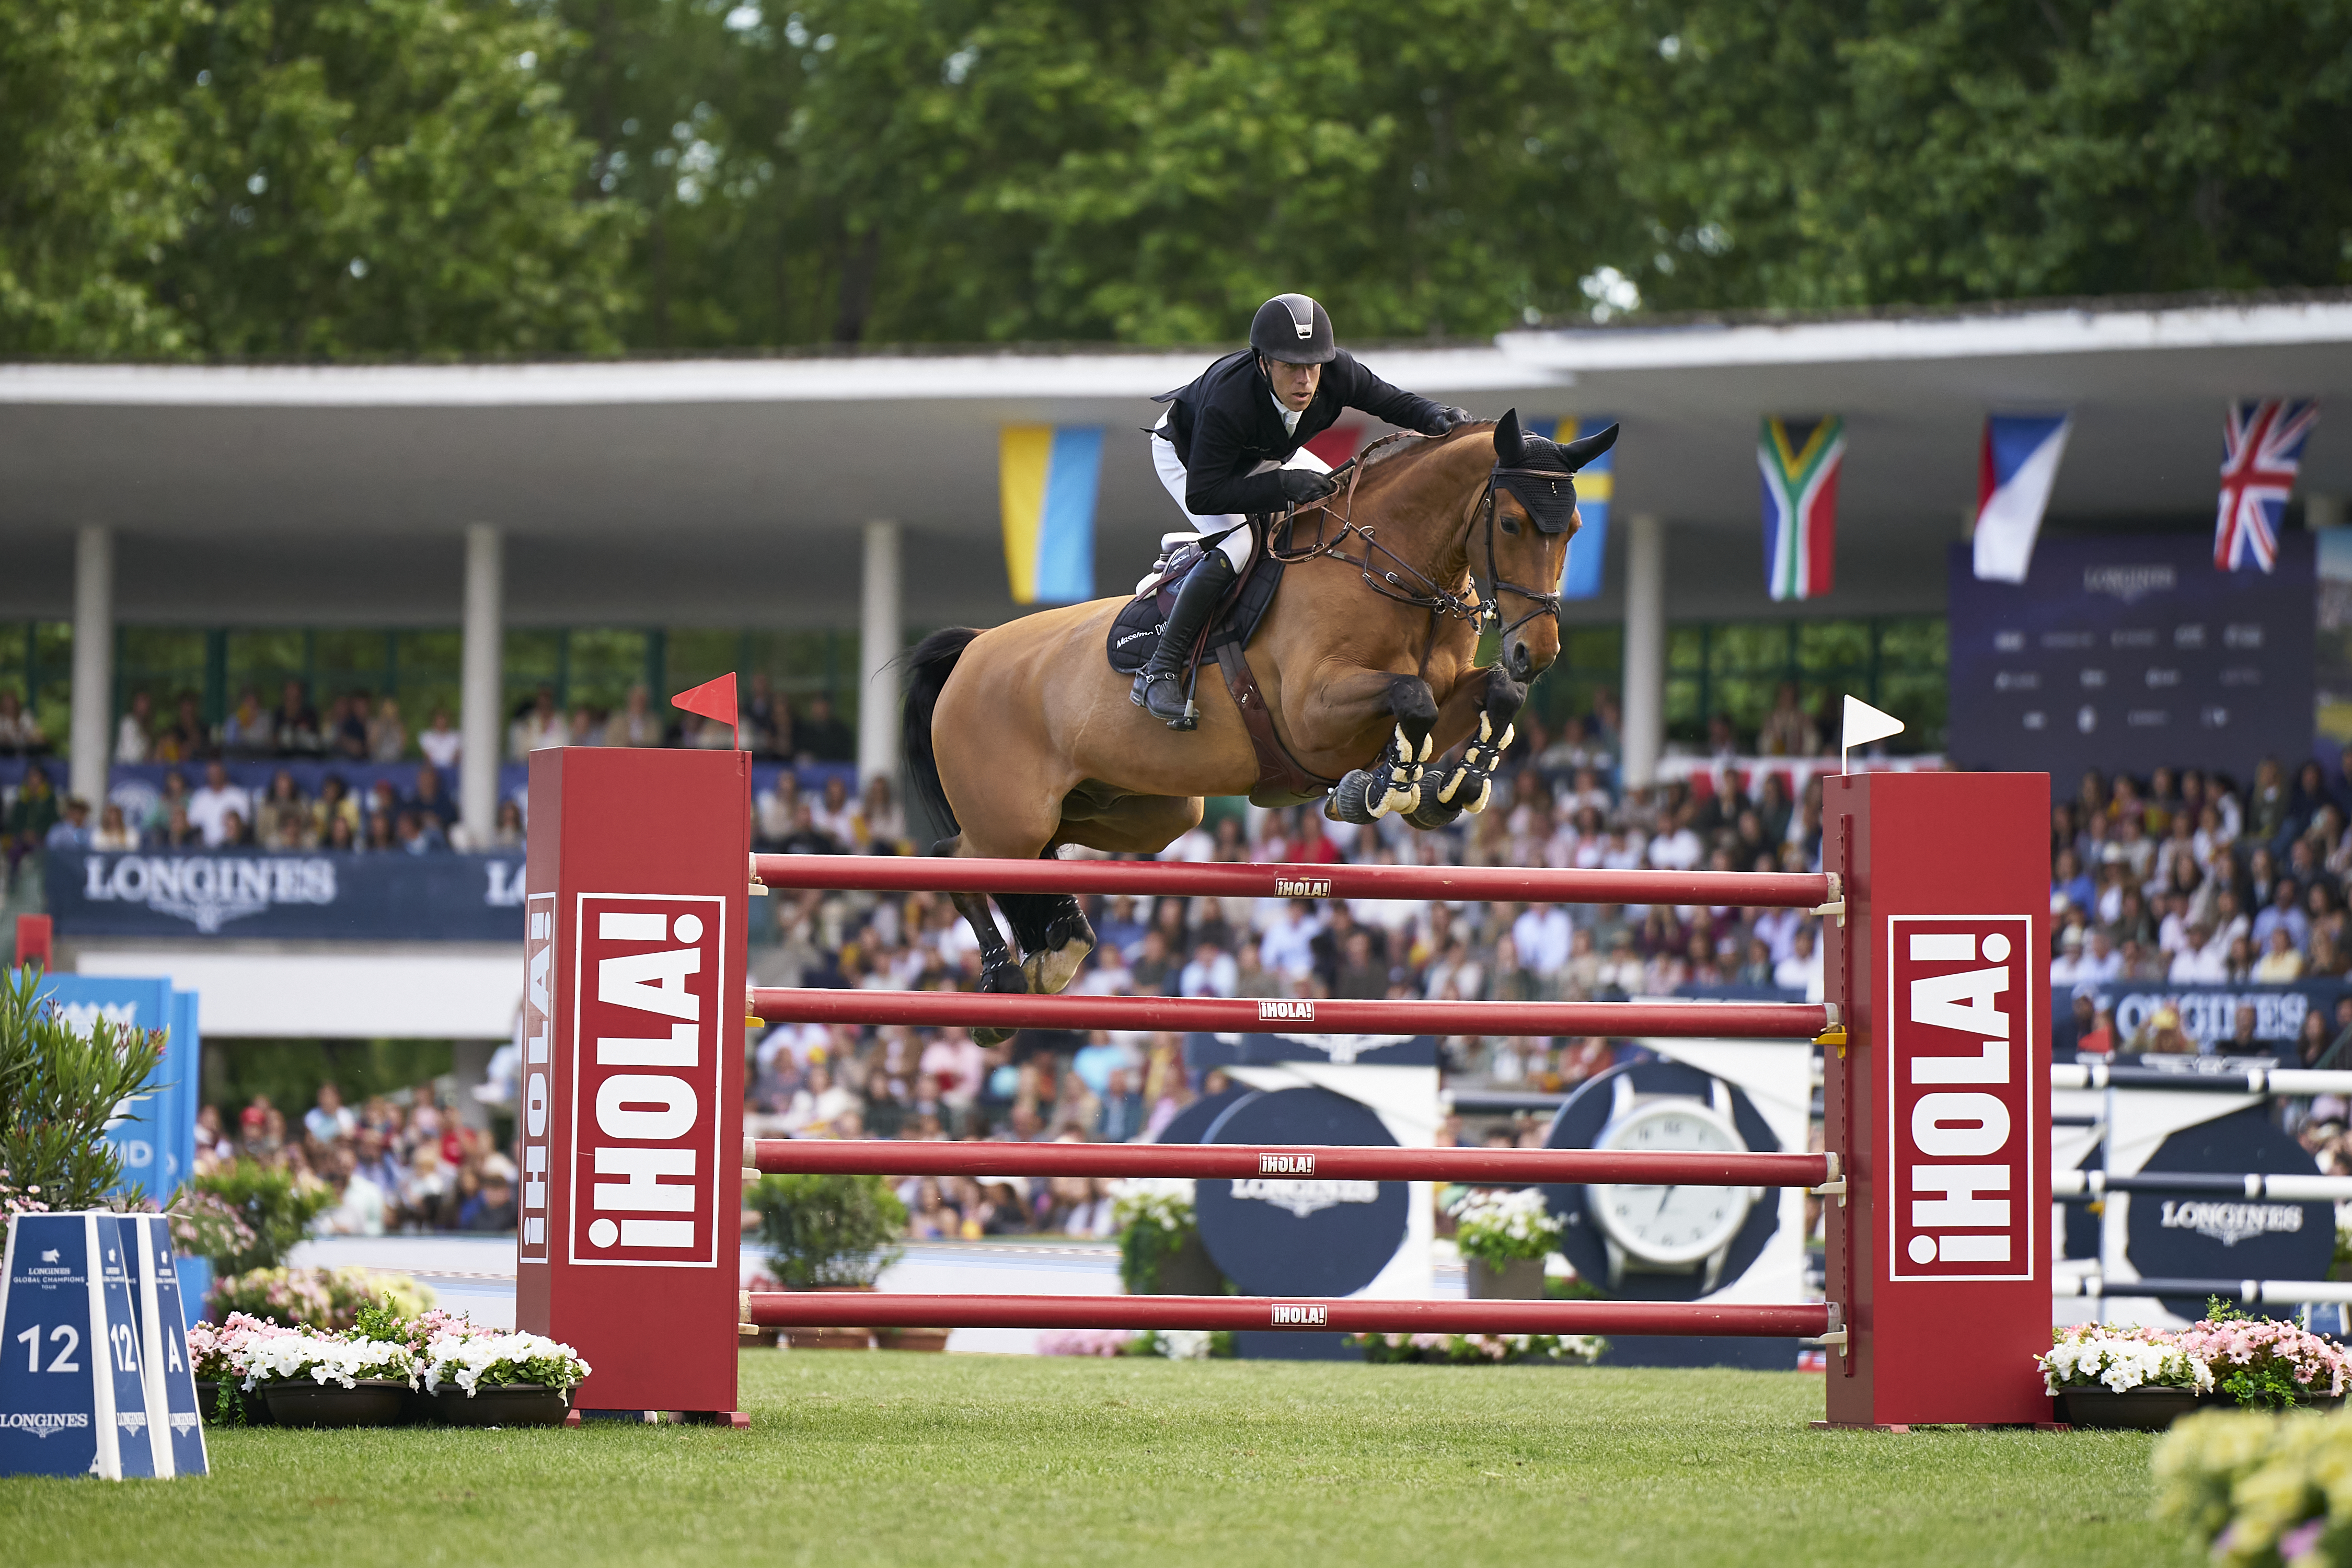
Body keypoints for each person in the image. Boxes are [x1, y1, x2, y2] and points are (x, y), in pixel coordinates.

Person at [1133, 292, 1473, 725]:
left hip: (1269, 453)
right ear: (1264, 363)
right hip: (1191, 461)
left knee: (1343, 506)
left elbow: (1393, 403)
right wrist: (1282, 487)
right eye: (1291, 367)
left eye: (1311, 366)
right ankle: (1159, 668)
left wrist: (1438, 416)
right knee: (1239, 543)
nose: (1305, 381)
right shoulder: (1229, 400)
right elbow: (1206, 494)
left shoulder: (1336, 372)